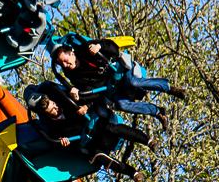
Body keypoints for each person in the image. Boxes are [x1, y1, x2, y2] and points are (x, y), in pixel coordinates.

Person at [25, 80, 157, 182]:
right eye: (52, 110)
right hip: (85, 139)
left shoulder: (63, 97)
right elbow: (56, 138)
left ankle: (149, 141)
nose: (56, 108)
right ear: (46, 114)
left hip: (95, 123)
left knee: (110, 128)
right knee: (97, 157)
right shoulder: (48, 124)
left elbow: (89, 98)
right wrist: (63, 142)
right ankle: (134, 174)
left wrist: (85, 107)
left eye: (54, 104)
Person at [51, 37, 188, 131]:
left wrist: (99, 46)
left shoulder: (85, 49)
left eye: (65, 59)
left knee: (132, 82)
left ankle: (170, 89)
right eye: (61, 63)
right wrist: (79, 96)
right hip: (109, 87)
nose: (65, 64)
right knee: (121, 104)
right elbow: (91, 93)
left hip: (119, 70)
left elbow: (112, 47)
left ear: (72, 53)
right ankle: (158, 112)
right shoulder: (73, 77)